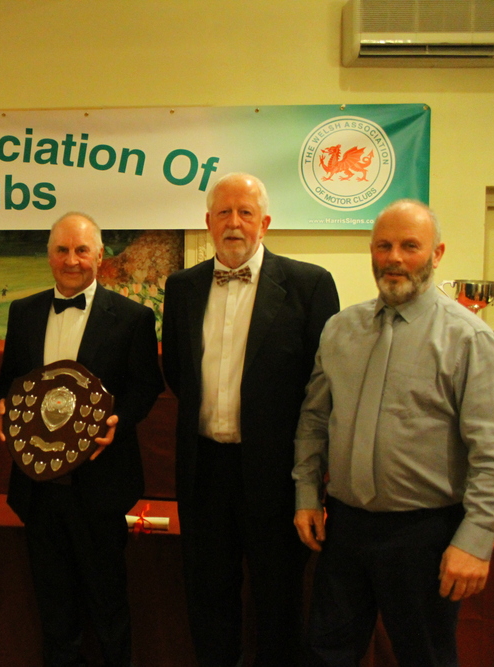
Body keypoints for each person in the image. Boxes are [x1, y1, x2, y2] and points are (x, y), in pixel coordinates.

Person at [292, 199, 494, 666]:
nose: (394, 258)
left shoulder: (469, 339)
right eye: (383, 246)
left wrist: (475, 539)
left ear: (437, 254)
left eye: (410, 246)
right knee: (325, 654)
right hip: (345, 528)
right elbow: (314, 421)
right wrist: (306, 494)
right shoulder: (340, 330)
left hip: (425, 536)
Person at [161, 173, 340, 666]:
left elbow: (323, 387)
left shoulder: (310, 285)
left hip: (276, 476)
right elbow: (177, 371)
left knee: (278, 604)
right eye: (224, 213)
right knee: (208, 600)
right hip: (203, 474)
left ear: (265, 223)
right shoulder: (181, 287)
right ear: (208, 222)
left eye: (245, 213)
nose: (234, 223)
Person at [0, 212, 164, 667]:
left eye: (81, 250)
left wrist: (118, 421)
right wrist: (3, 407)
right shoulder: (23, 312)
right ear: (49, 255)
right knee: (54, 609)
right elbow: (9, 380)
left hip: (100, 487)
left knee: (108, 606)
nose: (72, 260)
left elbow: (146, 386)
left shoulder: (132, 318)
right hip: (38, 489)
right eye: (62, 250)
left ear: (100, 256)